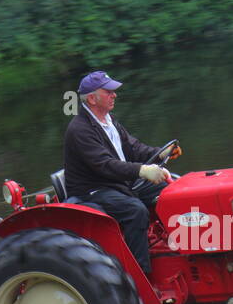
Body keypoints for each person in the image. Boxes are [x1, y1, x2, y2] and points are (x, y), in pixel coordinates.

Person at [63, 70, 182, 275]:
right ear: (92, 98)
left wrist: (161, 153)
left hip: (116, 183)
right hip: (92, 190)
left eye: (113, 91)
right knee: (134, 210)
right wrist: (142, 171)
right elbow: (105, 165)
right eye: (108, 91)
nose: (114, 95)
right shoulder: (80, 129)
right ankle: (139, 277)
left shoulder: (109, 120)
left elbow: (133, 148)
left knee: (172, 191)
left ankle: (176, 251)